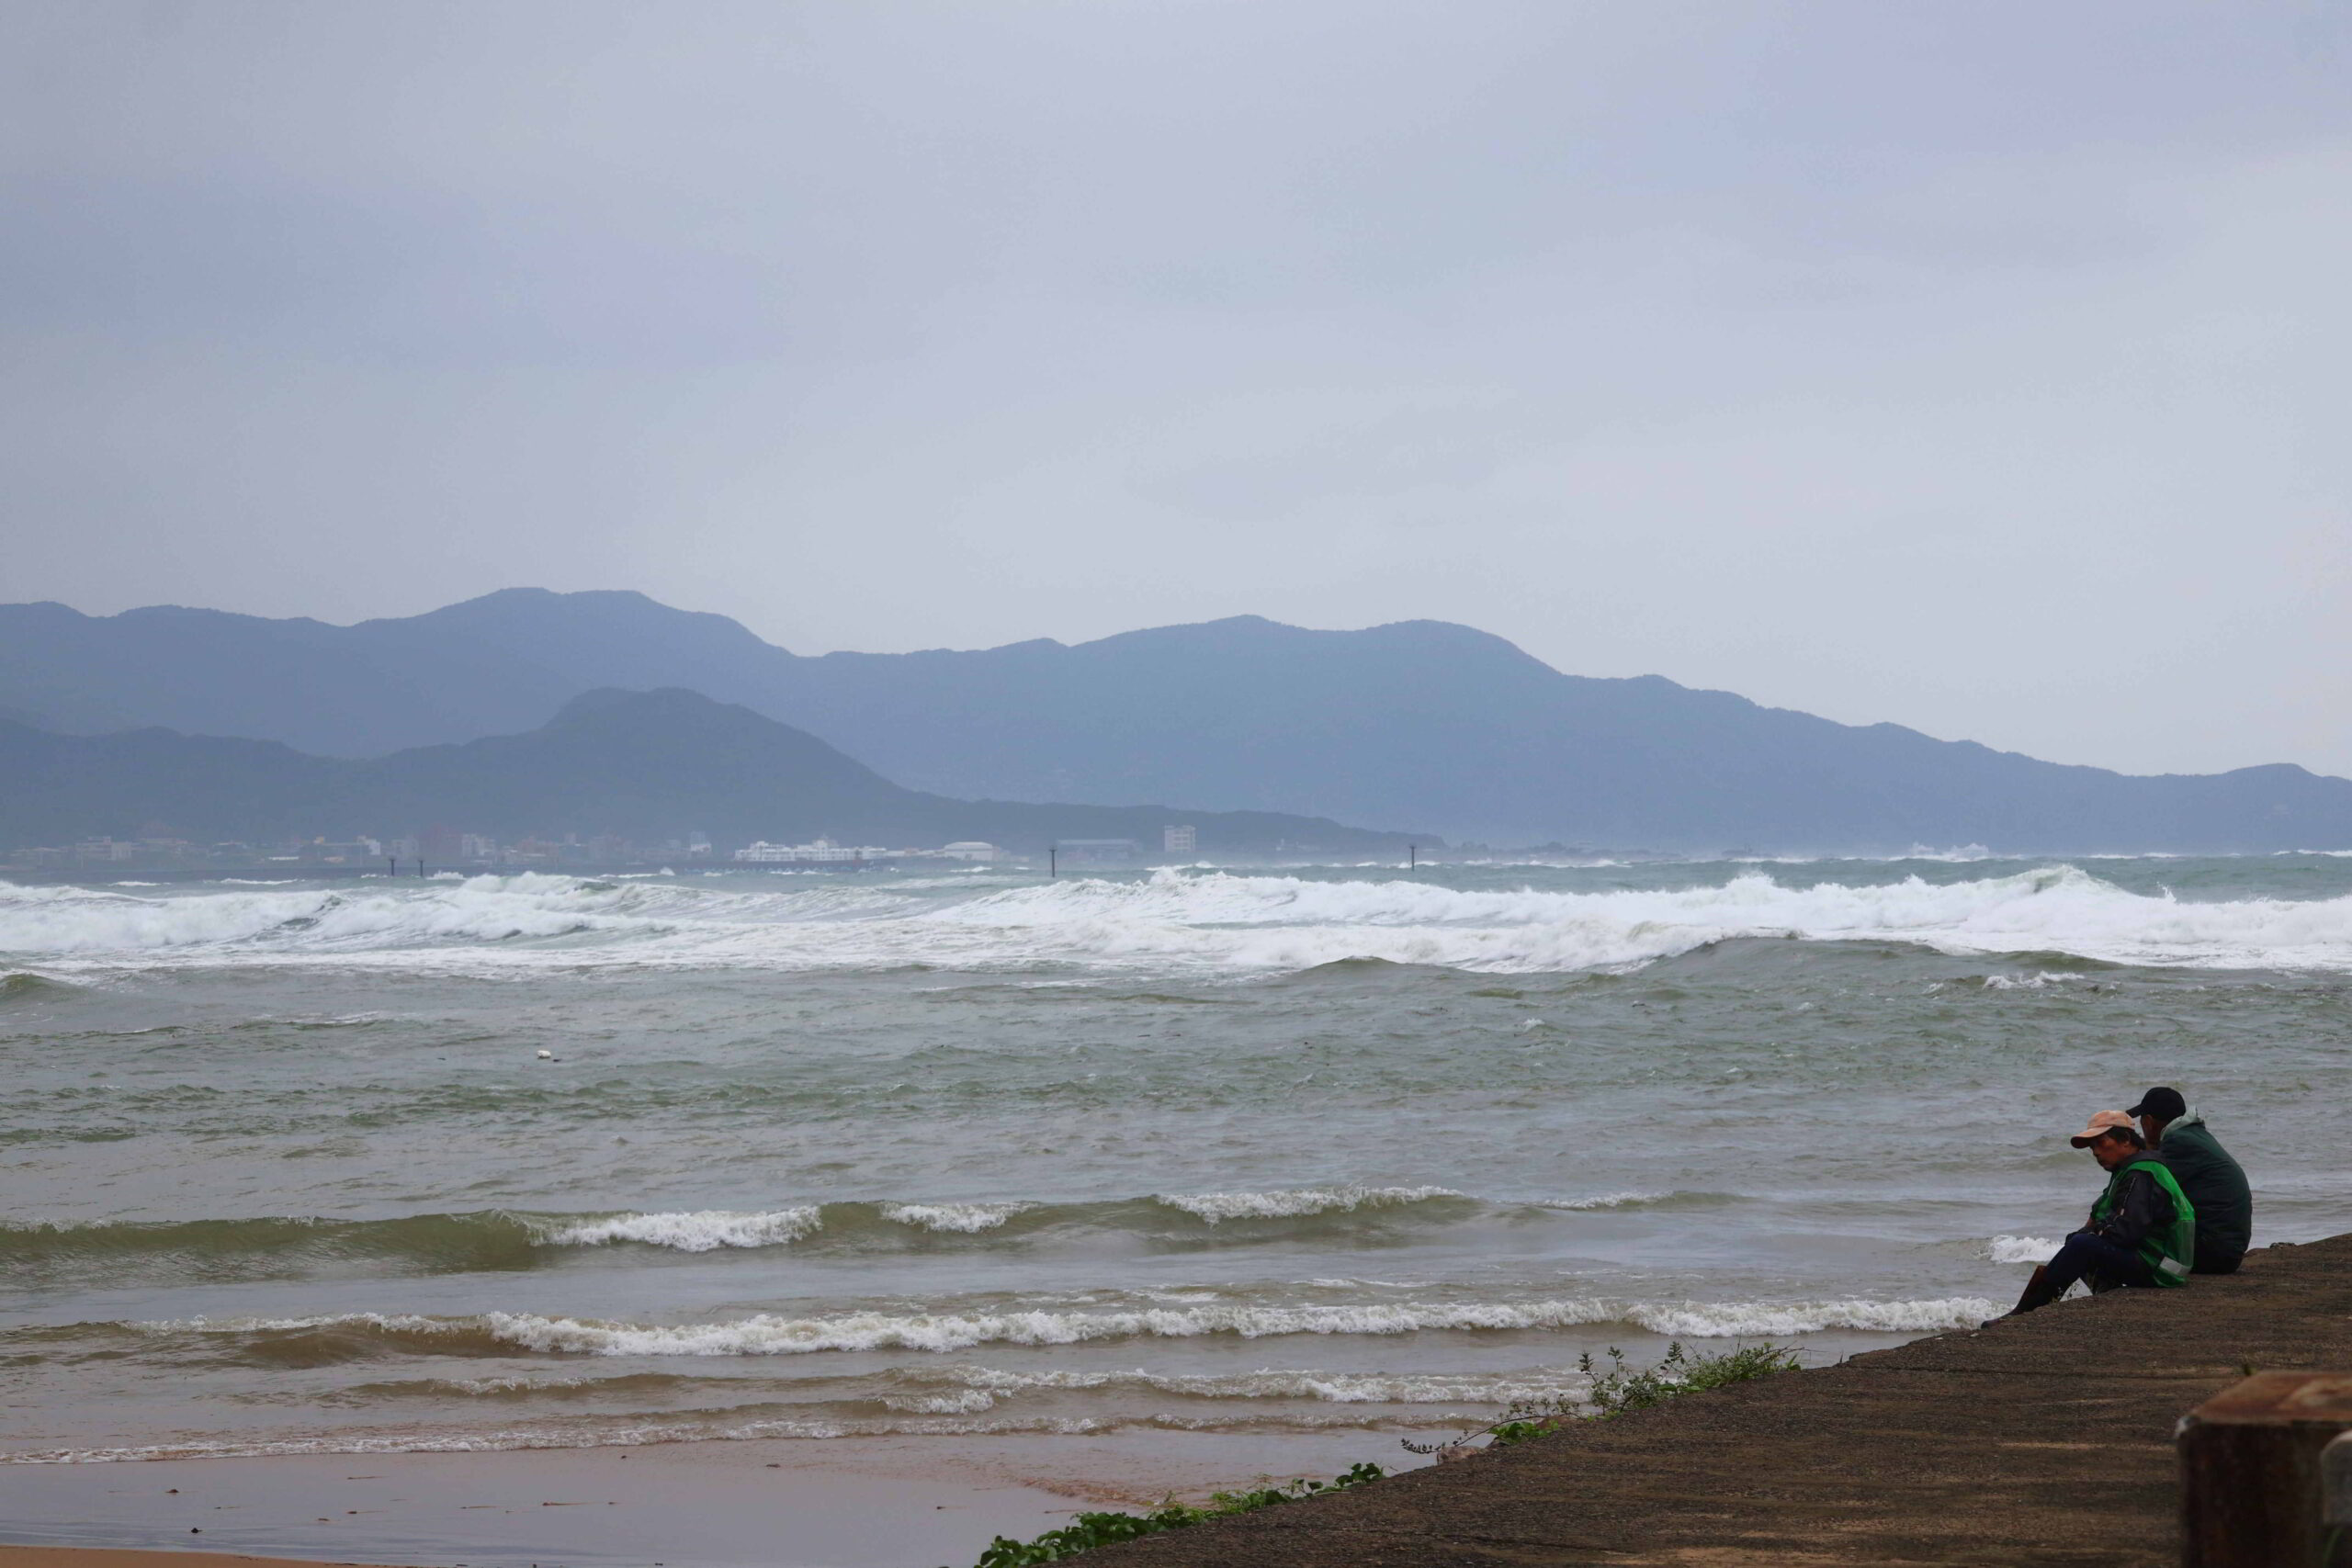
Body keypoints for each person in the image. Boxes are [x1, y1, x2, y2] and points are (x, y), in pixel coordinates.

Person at [2001, 1110, 2195, 1317]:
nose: (2096, 1152)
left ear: (2125, 1140)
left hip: (2161, 1268)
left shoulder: (2141, 1173)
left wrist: (2090, 1233)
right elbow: (2107, 1214)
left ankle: (2031, 1309)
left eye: (2101, 1143)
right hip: (2162, 1262)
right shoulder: (2131, 1169)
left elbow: (2126, 1232)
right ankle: (2101, 1293)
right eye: (2092, 1147)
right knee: (2079, 1241)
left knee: (2082, 1244)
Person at [2130, 1086, 2252, 1275]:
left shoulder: (2177, 1141)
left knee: (2125, 1235)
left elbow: (2145, 1188)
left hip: (2213, 1252)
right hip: (2227, 1248)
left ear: (2148, 1122)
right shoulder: (2192, 1135)